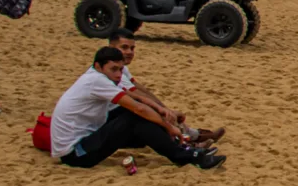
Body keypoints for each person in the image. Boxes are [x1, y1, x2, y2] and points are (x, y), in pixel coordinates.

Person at [50, 46, 225, 169]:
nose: (118, 74)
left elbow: (137, 97)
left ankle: (185, 148)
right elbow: (137, 108)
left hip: (85, 140)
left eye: (121, 69)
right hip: (76, 154)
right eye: (114, 70)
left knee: (139, 117)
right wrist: (168, 126)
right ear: (98, 66)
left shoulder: (98, 76)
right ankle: (188, 156)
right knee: (134, 118)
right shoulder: (96, 80)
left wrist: (161, 110)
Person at [107, 29, 225, 145]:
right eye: (124, 47)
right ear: (111, 47)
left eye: (132, 48)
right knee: (148, 112)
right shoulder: (113, 71)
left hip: (115, 113)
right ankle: (190, 140)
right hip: (107, 120)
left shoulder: (119, 67)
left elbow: (140, 88)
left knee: (153, 111)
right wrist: (164, 111)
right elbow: (138, 94)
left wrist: (164, 108)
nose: (129, 52)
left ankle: (191, 138)